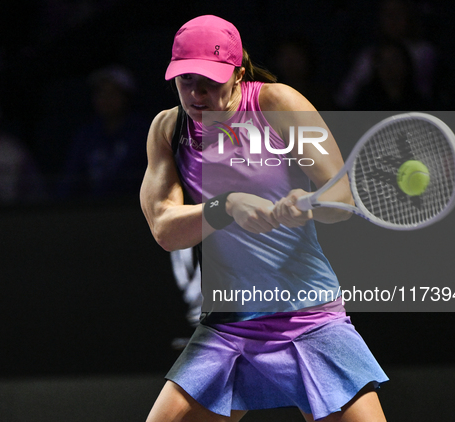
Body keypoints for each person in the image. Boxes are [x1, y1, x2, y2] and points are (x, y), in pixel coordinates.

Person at [140, 15, 388, 422]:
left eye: (210, 82)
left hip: (308, 315)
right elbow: (165, 230)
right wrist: (227, 206)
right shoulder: (168, 129)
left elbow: (340, 197)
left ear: (237, 74)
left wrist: (306, 201)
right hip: (229, 322)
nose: (197, 94)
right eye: (186, 81)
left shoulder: (277, 103)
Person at [57, 65, 148, 200]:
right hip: (92, 210)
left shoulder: (143, 133)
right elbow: (72, 178)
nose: (106, 99)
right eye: (101, 93)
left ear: (126, 98)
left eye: (112, 94)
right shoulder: (86, 135)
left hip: (131, 208)